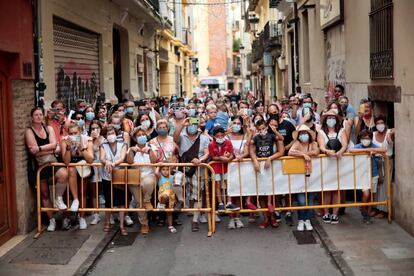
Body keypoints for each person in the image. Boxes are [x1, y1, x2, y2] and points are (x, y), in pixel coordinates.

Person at [25, 107, 69, 231]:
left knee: (64, 175)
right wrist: (48, 149)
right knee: (44, 194)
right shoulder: (29, 131)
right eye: (36, 115)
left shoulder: (48, 128)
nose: (38, 117)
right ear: (31, 117)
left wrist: (39, 148)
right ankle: (51, 220)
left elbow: (54, 145)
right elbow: (33, 152)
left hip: (52, 163)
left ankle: (58, 198)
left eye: (40, 114)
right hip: (39, 166)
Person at [173, 117, 210, 231]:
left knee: (197, 195)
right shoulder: (182, 137)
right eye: (190, 123)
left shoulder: (203, 138)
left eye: (195, 123)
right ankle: (181, 200)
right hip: (183, 168)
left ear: (198, 125)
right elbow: (174, 138)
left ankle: (195, 221)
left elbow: (207, 153)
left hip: (198, 169)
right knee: (176, 180)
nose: (192, 126)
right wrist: (182, 124)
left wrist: (200, 160)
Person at [250, 119, 284, 229]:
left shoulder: (271, 136)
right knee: (262, 193)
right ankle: (265, 218)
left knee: (271, 191)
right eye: (259, 129)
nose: (262, 131)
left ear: (267, 127)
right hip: (260, 167)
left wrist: (270, 158)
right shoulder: (256, 137)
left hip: (271, 167)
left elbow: (281, 140)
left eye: (264, 128)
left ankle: (273, 217)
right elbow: (250, 148)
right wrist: (255, 161)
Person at [317, 109, 349, 224]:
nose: (331, 120)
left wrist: (340, 151)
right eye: (329, 117)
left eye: (333, 117)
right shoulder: (321, 132)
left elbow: (345, 144)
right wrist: (327, 151)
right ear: (325, 120)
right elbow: (321, 145)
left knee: (336, 189)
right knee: (326, 190)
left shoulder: (342, 131)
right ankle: (326, 212)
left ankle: (335, 214)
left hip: (338, 163)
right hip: (326, 164)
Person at [61, 122, 94, 229]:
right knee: (70, 169)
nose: (73, 135)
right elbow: (66, 162)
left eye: (75, 133)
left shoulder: (87, 139)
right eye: (71, 133)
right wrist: (68, 148)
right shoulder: (65, 140)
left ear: (80, 132)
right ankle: (75, 201)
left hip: (84, 166)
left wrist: (82, 148)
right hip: (71, 169)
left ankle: (82, 217)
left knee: (83, 191)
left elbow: (90, 159)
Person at [349, 130, 386, 224]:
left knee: (371, 197)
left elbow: (383, 149)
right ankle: (362, 207)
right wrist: (366, 150)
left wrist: (372, 150)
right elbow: (351, 150)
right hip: (362, 175)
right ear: (360, 139)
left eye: (368, 138)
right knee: (366, 194)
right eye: (364, 138)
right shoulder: (358, 146)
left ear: (371, 139)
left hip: (373, 174)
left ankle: (367, 215)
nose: (366, 140)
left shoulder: (373, 145)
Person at [288, 125, 320, 231]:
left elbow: (316, 152)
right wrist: (303, 155)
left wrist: (304, 154)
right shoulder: (297, 143)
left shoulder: (314, 143)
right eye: (301, 134)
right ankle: (301, 219)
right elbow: (290, 152)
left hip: (312, 175)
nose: (303, 135)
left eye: (305, 133)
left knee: (310, 200)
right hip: (299, 176)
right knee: (301, 200)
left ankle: (308, 219)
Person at [127, 126, 157, 235]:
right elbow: (129, 162)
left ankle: (147, 200)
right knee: (139, 201)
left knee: (148, 183)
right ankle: (144, 223)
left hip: (149, 175)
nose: (141, 137)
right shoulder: (131, 149)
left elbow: (154, 161)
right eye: (139, 135)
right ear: (135, 138)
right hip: (135, 177)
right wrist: (131, 151)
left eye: (143, 135)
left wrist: (149, 151)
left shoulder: (152, 147)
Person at [100, 124, 128, 235]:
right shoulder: (103, 145)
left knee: (121, 201)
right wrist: (106, 162)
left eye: (112, 133)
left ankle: (121, 225)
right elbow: (102, 158)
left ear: (116, 134)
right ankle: (107, 222)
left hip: (120, 175)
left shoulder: (123, 144)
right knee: (108, 200)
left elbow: (122, 157)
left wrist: (113, 163)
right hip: (107, 176)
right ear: (105, 135)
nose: (111, 135)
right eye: (108, 133)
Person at [226, 116, 250, 229]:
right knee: (230, 194)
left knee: (239, 194)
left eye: (238, 123)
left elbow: (247, 150)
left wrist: (242, 156)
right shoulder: (226, 136)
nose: (236, 125)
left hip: (242, 168)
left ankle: (238, 217)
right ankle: (231, 218)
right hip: (228, 168)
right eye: (234, 123)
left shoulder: (245, 136)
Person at [372, 115, 394, 217]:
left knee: (385, 185)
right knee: (377, 185)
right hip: (375, 162)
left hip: (387, 161)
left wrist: (390, 134)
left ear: (385, 123)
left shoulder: (389, 132)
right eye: (377, 123)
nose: (380, 125)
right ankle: (376, 208)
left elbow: (397, 129)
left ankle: (384, 210)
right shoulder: (373, 135)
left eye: (381, 123)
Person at [208, 126, 234, 214]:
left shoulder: (228, 142)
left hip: (226, 167)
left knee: (228, 183)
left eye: (221, 135)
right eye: (217, 136)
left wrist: (228, 159)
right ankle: (220, 203)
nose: (220, 137)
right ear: (214, 136)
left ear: (224, 135)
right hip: (215, 167)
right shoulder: (211, 144)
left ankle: (229, 202)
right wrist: (221, 158)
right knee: (218, 185)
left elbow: (231, 154)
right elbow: (212, 157)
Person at [88, 120, 105, 225]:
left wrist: (98, 139)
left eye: (97, 128)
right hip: (94, 167)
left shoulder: (104, 139)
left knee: (107, 191)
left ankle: (110, 215)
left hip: (103, 167)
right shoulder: (88, 140)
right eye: (92, 128)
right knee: (95, 193)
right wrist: (91, 140)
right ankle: (96, 215)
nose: (95, 130)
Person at [155, 166, 177, 233]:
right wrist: (159, 165)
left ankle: (170, 226)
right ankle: (161, 204)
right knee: (165, 196)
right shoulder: (160, 177)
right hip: (162, 195)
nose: (165, 171)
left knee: (169, 212)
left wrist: (175, 198)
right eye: (163, 169)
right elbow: (156, 173)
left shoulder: (172, 177)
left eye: (167, 169)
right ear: (161, 171)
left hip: (171, 196)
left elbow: (175, 188)